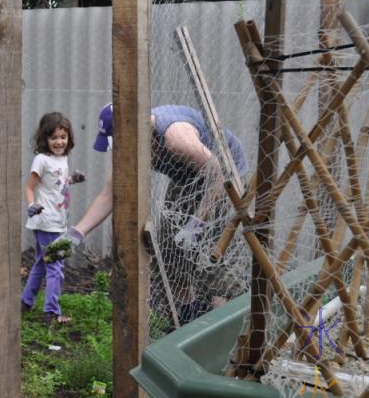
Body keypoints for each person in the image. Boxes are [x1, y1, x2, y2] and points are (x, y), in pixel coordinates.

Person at [52, 103, 248, 324]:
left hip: (226, 177)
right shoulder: (132, 145)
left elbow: (218, 175)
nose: (121, 149)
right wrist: (75, 234)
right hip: (186, 179)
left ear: (135, 130)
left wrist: (196, 223)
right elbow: (109, 195)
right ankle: (188, 317)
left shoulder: (176, 139)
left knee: (215, 251)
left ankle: (218, 325)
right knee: (169, 247)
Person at [21, 112, 85, 324]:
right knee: (55, 267)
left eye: (63, 137)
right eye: (54, 137)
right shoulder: (41, 159)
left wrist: (72, 180)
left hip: (58, 221)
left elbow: (57, 184)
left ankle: (26, 302)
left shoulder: (62, 159)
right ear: (44, 139)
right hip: (46, 222)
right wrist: (31, 205)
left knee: (42, 263)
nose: (59, 142)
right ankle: (51, 311)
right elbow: (30, 187)